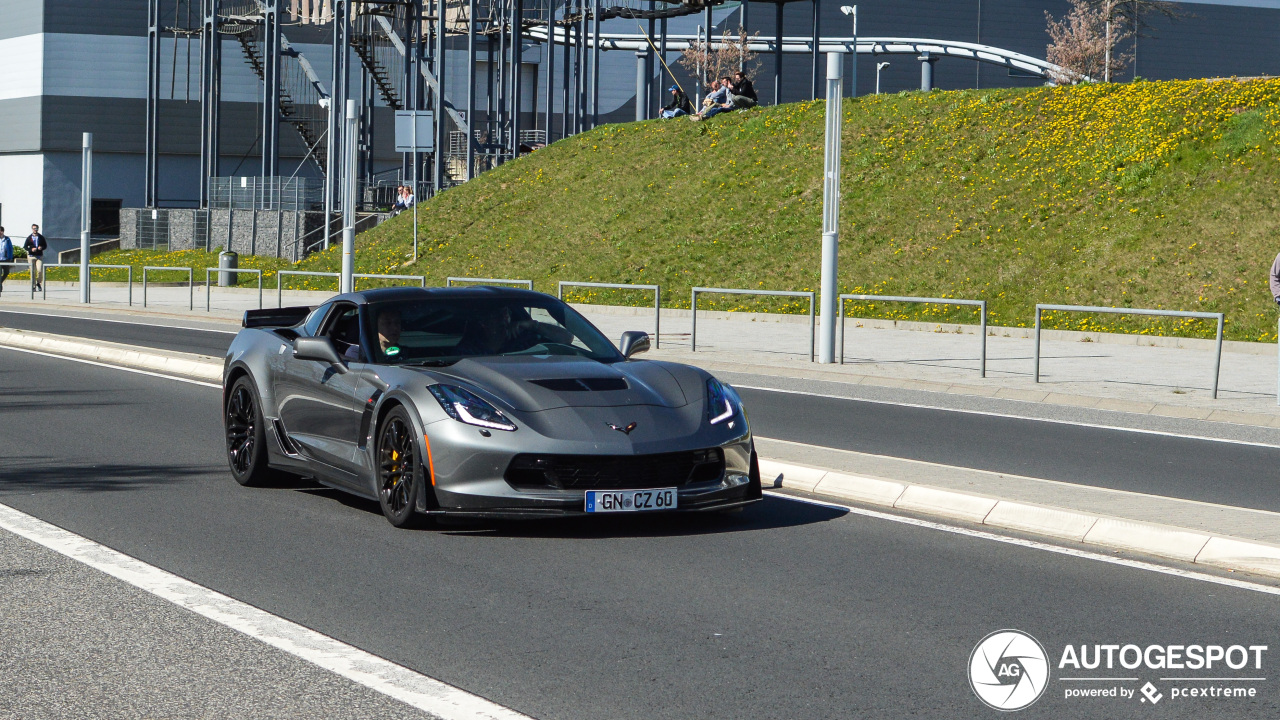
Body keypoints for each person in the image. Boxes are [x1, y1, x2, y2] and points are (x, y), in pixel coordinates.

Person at [457, 304, 574, 356]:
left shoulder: (525, 341)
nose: (503, 319)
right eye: (496, 316)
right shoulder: (469, 349)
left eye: (506, 314)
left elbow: (566, 338)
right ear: (483, 322)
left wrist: (533, 325)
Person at [23, 224, 46, 292]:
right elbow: (25, 247)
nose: (35, 230)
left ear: (38, 229)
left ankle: (38, 283)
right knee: (32, 271)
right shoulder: (29, 238)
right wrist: (31, 249)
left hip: (39, 256)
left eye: (36, 228)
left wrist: (41, 248)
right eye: (33, 228)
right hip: (31, 256)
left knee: (39, 270)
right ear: (32, 229)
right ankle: (33, 286)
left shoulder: (41, 237)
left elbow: (45, 246)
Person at [0, 227, 12, 296]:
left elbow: (10, 248)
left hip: (5, 259)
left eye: (1, 231)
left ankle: (0, 282)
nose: (0, 232)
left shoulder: (7, 239)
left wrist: (10, 257)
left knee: (6, 272)